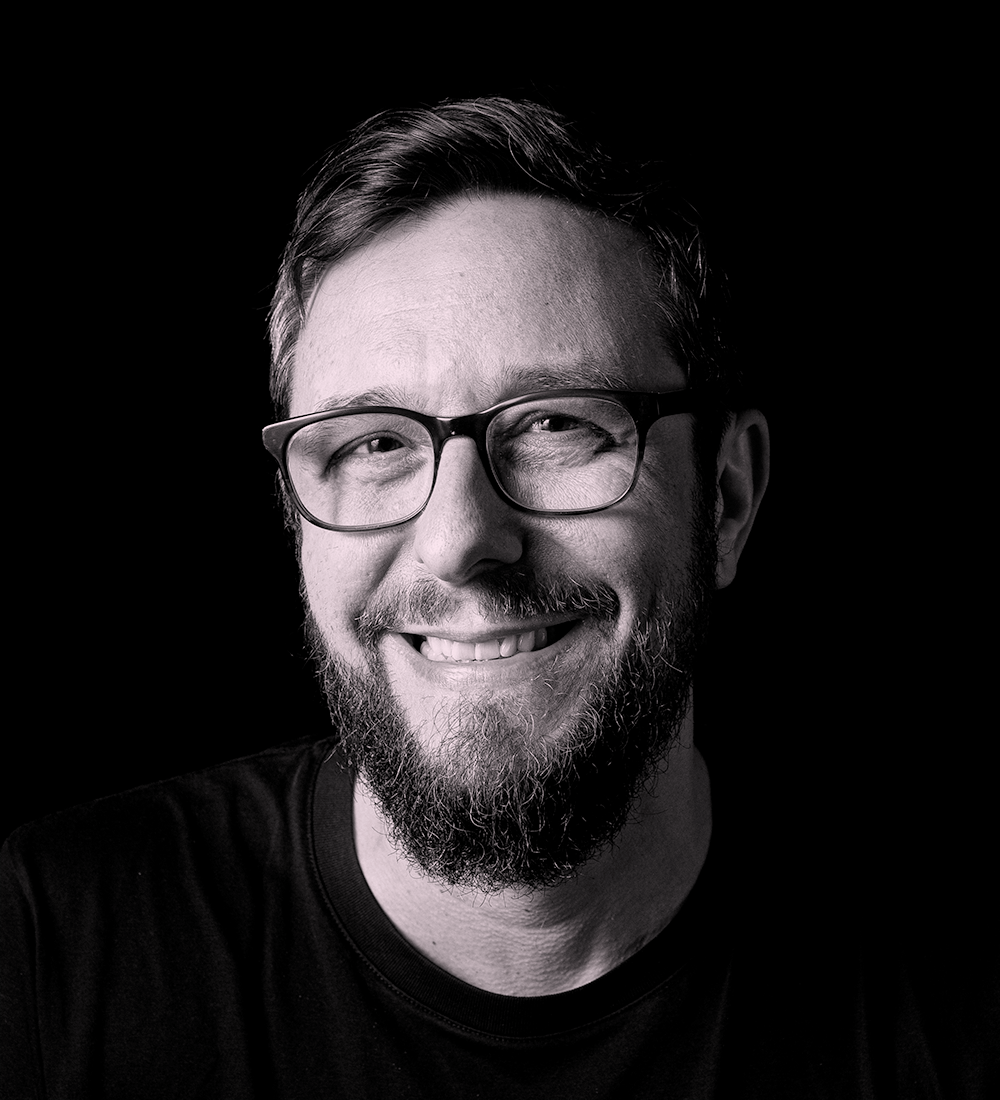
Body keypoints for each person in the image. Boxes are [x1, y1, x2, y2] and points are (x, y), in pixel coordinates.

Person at [1, 96, 991, 1098]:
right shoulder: (51, 949)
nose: (458, 540)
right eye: (374, 444)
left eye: (557, 424)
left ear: (726, 498)